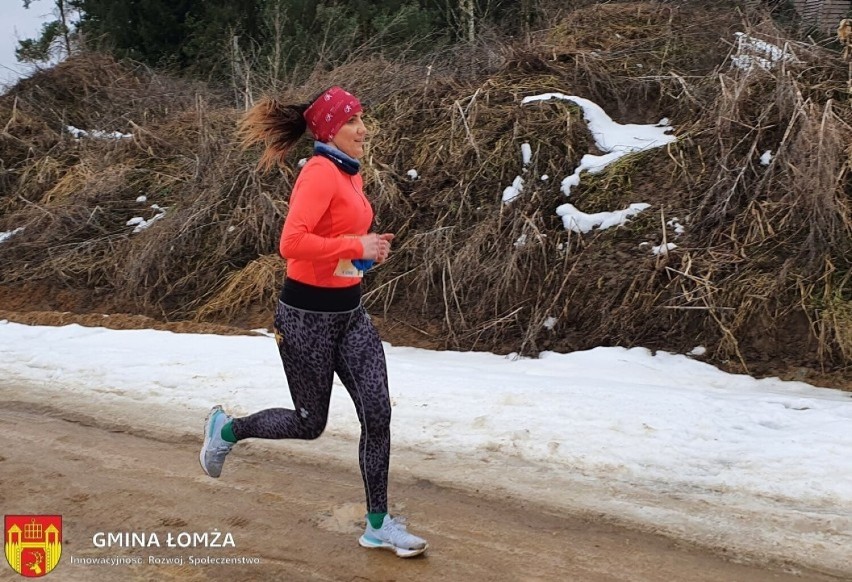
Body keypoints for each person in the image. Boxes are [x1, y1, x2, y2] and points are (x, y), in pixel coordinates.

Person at [198, 86, 428, 558]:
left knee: (378, 412)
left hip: (350, 313)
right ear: (328, 131)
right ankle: (227, 430)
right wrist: (353, 247)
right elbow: (292, 243)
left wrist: (367, 251)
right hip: (306, 319)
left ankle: (378, 525)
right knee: (309, 423)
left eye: (362, 118)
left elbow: (338, 241)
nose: (363, 128)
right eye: (352, 122)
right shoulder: (320, 173)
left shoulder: (350, 173)